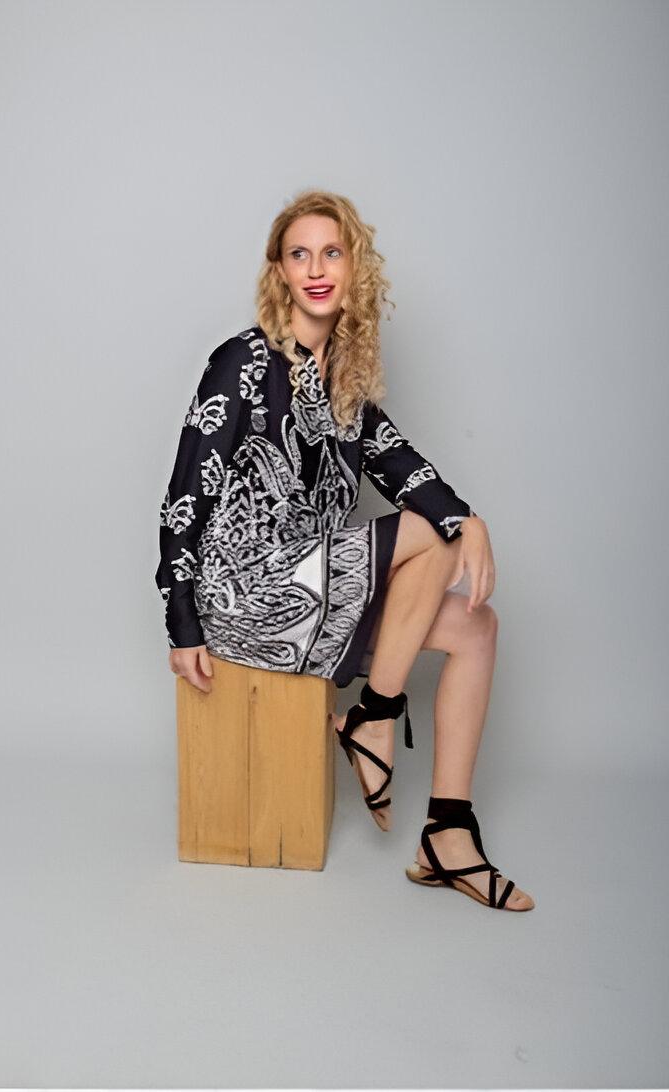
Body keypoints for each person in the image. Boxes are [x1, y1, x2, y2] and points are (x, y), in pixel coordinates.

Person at [155, 189, 534, 911]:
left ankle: (448, 835)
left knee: (478, 628)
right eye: (299, 255)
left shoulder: (347, 380)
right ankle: (376, 715)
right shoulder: (241, 361)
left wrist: (472, 521)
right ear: (279, 271)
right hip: (249, 593)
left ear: (354, 267)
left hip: (321, 590)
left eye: (331, 253)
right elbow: (184, 495)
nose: (316, 269)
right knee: (434, 534)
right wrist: (182, 622)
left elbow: (404, 467)